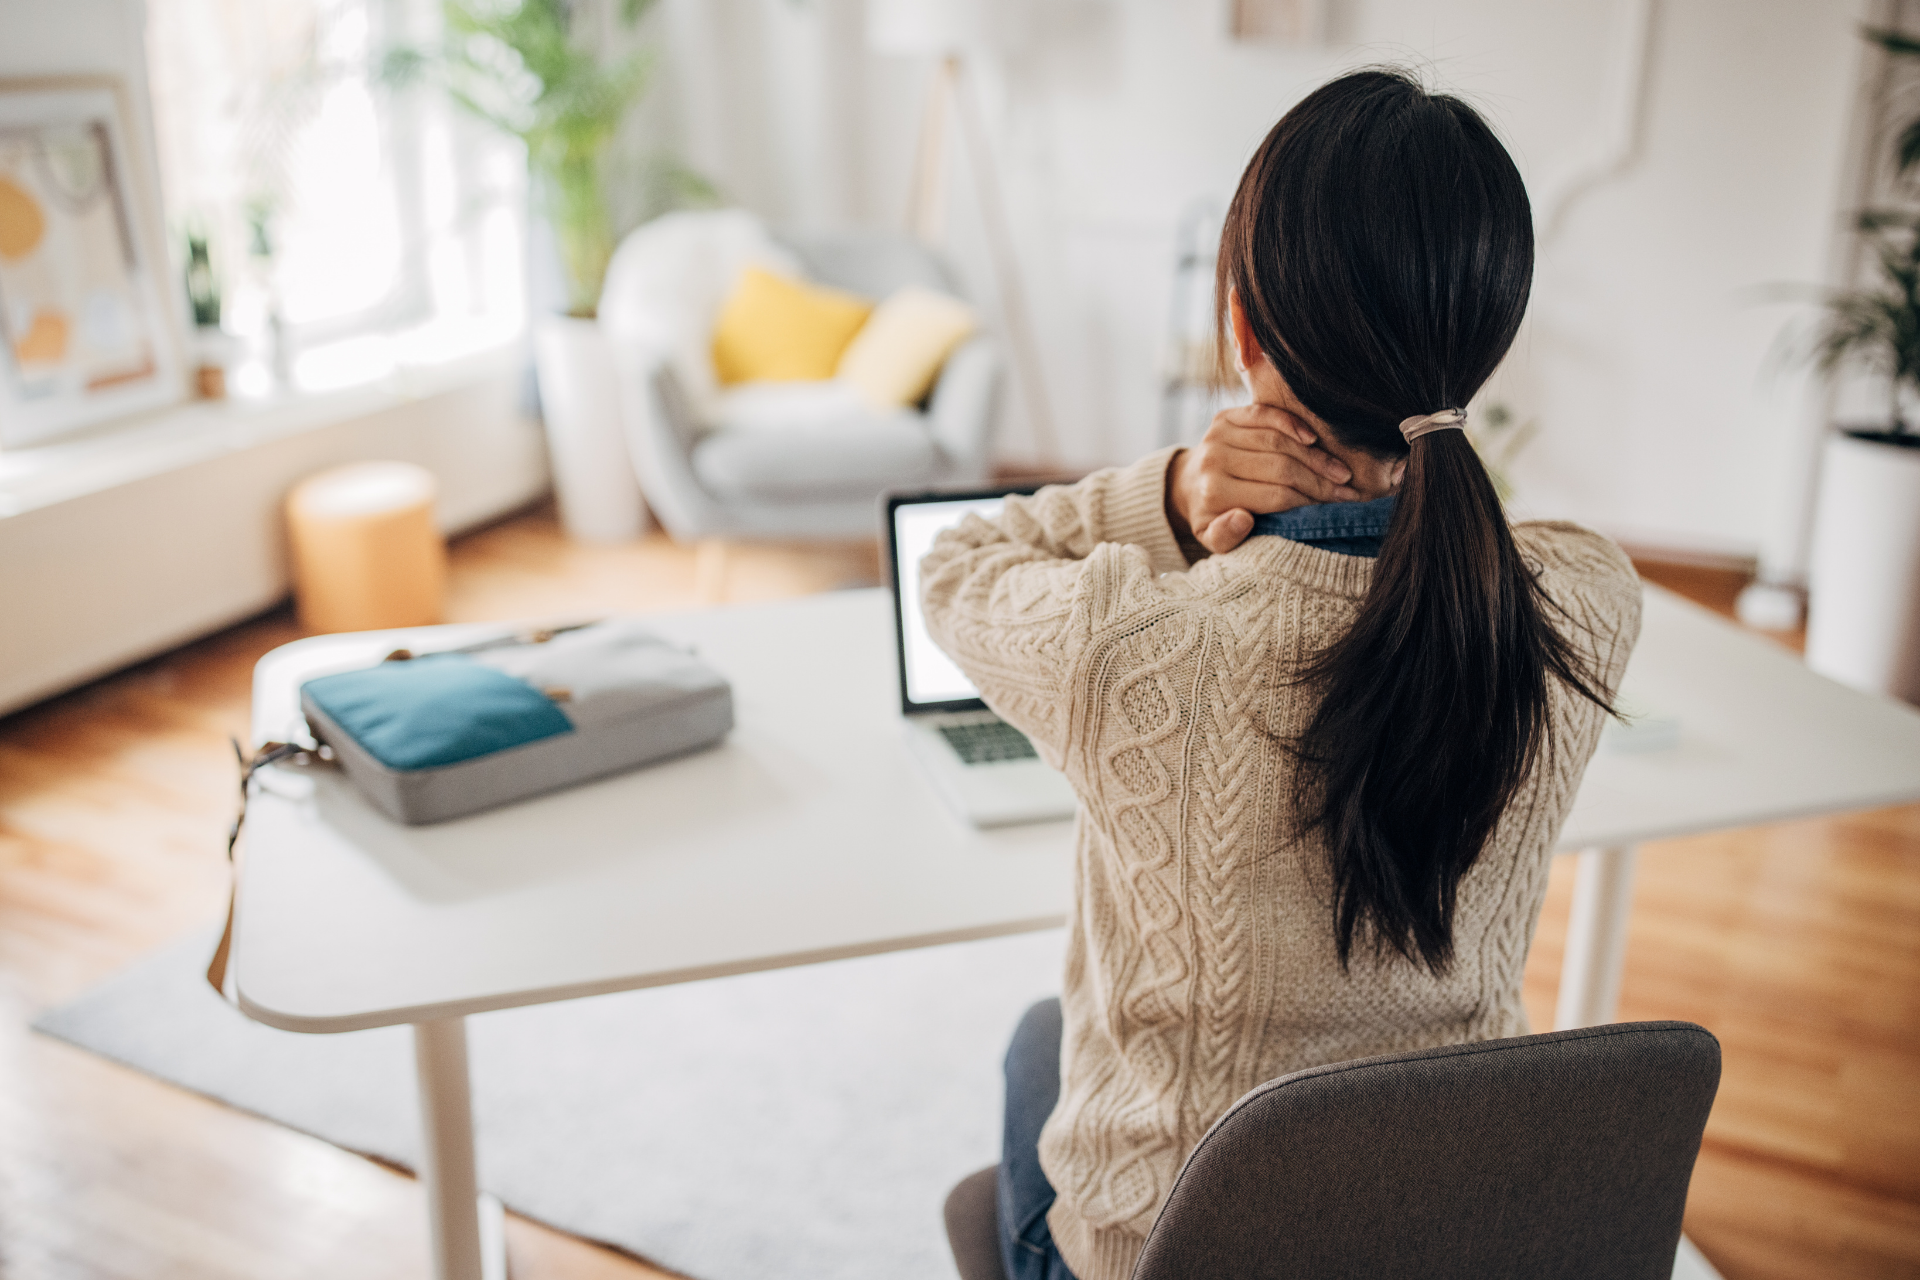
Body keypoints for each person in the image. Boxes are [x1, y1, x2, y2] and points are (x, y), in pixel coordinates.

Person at [920, 68, 1642, 1280]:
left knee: (1034, 1047)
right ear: (1482, 343)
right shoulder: (1584, 603)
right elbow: (1469, 536)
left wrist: (1172, 493)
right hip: (1450, 1240)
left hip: (1169, 1255)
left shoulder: (1132, 640)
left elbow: (958, 562)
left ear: (1245, 336)